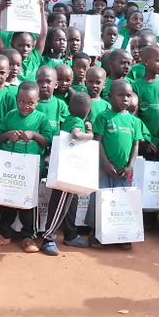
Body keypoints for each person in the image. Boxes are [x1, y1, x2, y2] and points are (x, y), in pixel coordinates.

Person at [0, 82, 52, 252]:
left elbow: (47, 141)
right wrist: (8, 135)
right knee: (5, 199)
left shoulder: (41, 118)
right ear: (17, 100)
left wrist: (33, 135)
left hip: (31, 167)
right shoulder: (10, 116)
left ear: (37, 102)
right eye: (22, 102)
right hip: (10, 166)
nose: (26, 106)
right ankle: (2, 233)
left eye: (30, 103)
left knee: (29, 202)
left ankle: (29, 236)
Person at [89, 79, 146, 249]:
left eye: (128, 95)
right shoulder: (103, 117)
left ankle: (122, 234)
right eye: (121, 95)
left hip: (124, 171)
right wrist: (105, 163)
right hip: (105, 169)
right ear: (110, 96)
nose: (125, 99)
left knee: (122, 202)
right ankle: (96, 234)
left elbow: (136, 145)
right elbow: (97, 142)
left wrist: (130, 166)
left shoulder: (135, 121)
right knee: (101, 200)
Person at [39, 92, 95, 255]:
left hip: (69, 169)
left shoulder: (69, 119)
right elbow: (76, 134)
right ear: (89, 112)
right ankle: (48, 238)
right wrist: (90, 135)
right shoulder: (77, 121)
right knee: (60, 204)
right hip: (68, 170)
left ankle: (71, 235)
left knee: (70, 203)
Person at [132, 45, 159, 158]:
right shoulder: (136, 85)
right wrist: (143, 140)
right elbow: (135, 115)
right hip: (144, 143)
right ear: (146, 62)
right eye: (158, 60)